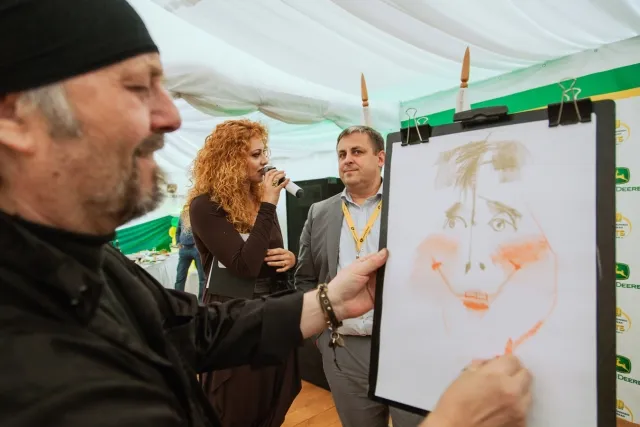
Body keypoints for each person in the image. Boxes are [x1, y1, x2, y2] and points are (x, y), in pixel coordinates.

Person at [0, 1, 533, 426]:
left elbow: (197, 329)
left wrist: (327, 300)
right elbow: (242, 266)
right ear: (14, 115)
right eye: (137, 88)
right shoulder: (32, 363)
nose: (168, 115)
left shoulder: (88, 260)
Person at [294, 125, 424, 427]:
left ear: (381, 158)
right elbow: (304, 278)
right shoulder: (319, 213)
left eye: (357, 151)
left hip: (404, 348)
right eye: (342, 154)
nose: (347, 160)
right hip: (344, 350)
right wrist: (319, 335)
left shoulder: (410, 203)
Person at [186, 119, 301, 427]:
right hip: (235, 314)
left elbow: (267, 253)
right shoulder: (205, 206)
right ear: (229, 159)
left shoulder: (257, 198)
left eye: (264, 153)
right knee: (239, 402)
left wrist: (290, 258)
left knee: (276, 393)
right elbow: (244, 266)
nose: (265, 161)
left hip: (273, 307)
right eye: (255, 154)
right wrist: (268, 205)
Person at [174, 212, 206, 301]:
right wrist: (178, 242)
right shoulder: (182, 215)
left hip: (196, 250)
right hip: (184, 250)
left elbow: (204, 231)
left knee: (203, 278)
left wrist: (200, 245)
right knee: (180, 277)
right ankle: (178, 300)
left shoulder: (198, 214)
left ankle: (201, 301)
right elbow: (178, 231)